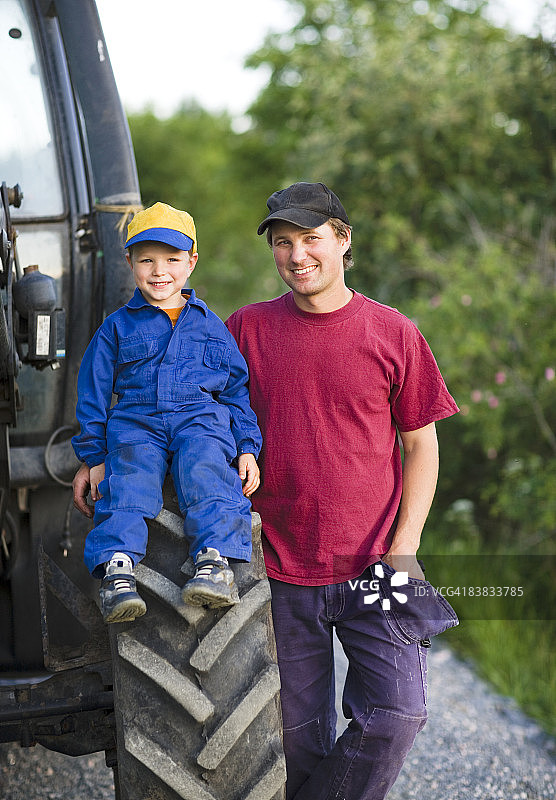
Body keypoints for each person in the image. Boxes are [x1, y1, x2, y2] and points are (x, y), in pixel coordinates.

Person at [224, 182, 460, 799]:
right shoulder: (245, 330)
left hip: (375, 565)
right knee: (298, 738)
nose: (297, 255)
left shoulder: (393, 332)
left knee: (397, 714)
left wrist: (405, 545)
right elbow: (193, 415)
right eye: (283, 243)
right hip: (277, 568)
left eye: (310, 239)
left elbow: (421, 446)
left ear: (342, 241)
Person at [71, 202, 261, 623]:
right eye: (147, 260)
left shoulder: (213, 327)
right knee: (129, 480)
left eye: (172, 259)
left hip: (199, 421)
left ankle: (214, 563)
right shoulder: (116, 328)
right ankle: (118, 573)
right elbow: (93, 396)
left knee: (206, 467)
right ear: (130, 263)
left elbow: (235, 391)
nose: (160, 271)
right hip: (138, 423)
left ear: (191, 262)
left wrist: (247, 447)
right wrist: (95, 457)